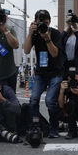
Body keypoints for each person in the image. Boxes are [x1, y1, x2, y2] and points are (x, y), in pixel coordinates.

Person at [24, 9, 64, 138]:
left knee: (50, 101)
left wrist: (47, 38)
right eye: (40, 22)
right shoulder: (34, 34)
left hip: (56, 73)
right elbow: (26, 50)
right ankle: (35, 126)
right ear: (35, 22)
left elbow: (54, 53)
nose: (43, 26)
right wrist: (30, 34)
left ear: (50, 22)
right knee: (34, 99)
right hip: (41, 73)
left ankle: (54, 127)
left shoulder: (55, 33)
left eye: (45, 23)